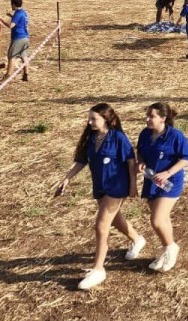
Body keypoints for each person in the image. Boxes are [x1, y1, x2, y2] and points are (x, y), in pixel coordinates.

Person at [55, 103, 145, 291]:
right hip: (100, 186)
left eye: (93, 119)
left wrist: (133, 185)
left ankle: (98, 269)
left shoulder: (118, 138)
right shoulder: (90, 139)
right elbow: (81, 161)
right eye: (89, 118)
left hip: (117, 185)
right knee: (115, 220)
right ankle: (137, 239)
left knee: (101, 225)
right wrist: (67, 179)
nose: (89, 122)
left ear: (107, 120)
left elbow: (130, 161)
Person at [137, 102, 188, 273]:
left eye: (151, 116)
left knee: (156, 220)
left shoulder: (176, 136)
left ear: (163, 118)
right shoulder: (145, 134)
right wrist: (141, 162)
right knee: (162, 220)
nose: (147, 119)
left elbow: (186, 158)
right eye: (147, 115)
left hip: (170, 183)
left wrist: (168, 172)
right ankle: (165, 247)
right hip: (152, 181)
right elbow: (140, 151)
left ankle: (170, 247)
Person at [0, 0, 32, 81]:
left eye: (11, 4)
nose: (11, 6)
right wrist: (11, 15)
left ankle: (8, 76)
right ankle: (26, 75)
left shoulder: (18, 13)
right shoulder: (23, 12)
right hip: (25, 37)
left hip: (18, 38)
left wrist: (1, 19)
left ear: (14, 4)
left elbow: (11, 26)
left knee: (12, 56)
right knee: (24, 56)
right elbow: (19, 21)